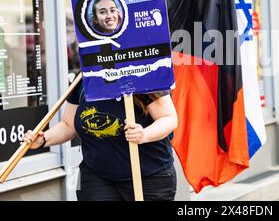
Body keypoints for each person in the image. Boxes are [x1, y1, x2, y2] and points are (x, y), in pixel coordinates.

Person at [22, 81, 178, 201]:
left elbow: (169, 119)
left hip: (149, 177)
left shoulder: (143, 73)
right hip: (96, 175)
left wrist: (144, 134)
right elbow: (68, 125)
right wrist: (43, 140)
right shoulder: (83, 79)